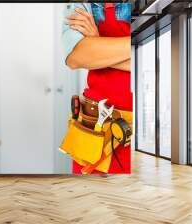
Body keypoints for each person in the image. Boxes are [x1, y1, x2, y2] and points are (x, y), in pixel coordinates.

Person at [62, 3, 132, 174]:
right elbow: (76, 58)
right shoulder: (82, 5)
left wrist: (98, 43)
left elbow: (157, 59)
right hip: (93, 129)